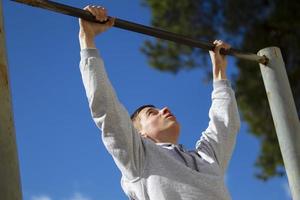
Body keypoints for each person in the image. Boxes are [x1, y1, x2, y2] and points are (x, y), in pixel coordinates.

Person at [78, 5, 241, 200]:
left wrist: (220, 73)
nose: (164, 109)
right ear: (141, 134)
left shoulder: (206, 158)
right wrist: (87, 39)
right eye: (151, 113)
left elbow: (224, 125)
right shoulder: (139, 158)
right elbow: (107, 109)